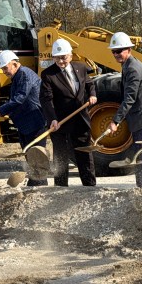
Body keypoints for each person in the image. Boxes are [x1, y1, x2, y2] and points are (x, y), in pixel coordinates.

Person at [40, 38, 97, 186]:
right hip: (60, 123)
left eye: (64, 57)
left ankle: (90, 186)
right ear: (53, 58)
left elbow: (89, 83)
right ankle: (60, 188)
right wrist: (52, 119)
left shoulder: (81, 67)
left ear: (70, 56)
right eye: (57, 58)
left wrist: (92, 95)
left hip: (80, 120)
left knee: (84, 153)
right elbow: (47, 100)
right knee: (60, 156)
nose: (61, 61)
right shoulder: (48, 75)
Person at [106, 32, 142, 189]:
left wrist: (115, 121)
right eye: (113, 51)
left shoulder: (133, 69)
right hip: (141, 117)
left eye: (119, 50)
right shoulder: (128, 65)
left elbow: (129, 99)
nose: (116, 54)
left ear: (129, 49)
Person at [0, 50, 48, 186]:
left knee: (36, 155)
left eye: (5, 67)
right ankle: (36, 181)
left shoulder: (24, 74)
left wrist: (2, 109)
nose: (4, 71)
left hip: (35, 122)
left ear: (15, 64)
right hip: (26, 123)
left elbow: (20, 98)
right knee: (29, 154)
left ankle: (39, 183)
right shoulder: (17, 77)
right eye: (2, 68)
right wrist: (10, 113)